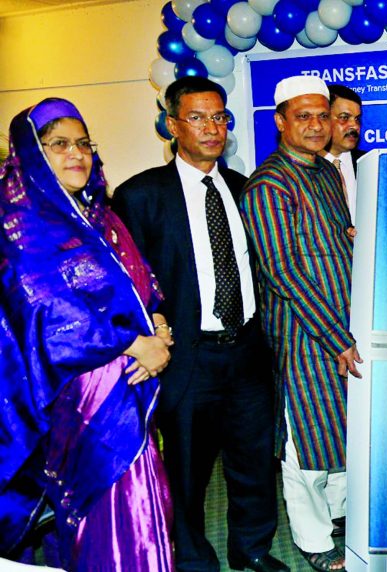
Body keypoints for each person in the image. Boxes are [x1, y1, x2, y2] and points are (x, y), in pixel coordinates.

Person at [112, 77, 283, 572]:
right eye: (198, 117)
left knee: (253, 462)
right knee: (186, 469)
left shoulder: (241, 187)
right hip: (188, 355)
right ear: (172, 125)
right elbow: (130, 284)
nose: (213, 128)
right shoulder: (140, 195)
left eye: (220, 117)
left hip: (248, 350)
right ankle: (189, 559)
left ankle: (251, 549)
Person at [0, 98, 173, 570]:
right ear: (32, 153)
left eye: (83, 144)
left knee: (136, 502)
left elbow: (142, 282)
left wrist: (157, 322)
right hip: (81, 396)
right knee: (111, 508)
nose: (77, 154)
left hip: (130, 383)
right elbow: (44, 307)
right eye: (58, 144)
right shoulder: (22, 225)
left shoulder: (98, 215)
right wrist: (134, 343)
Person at [240, 75, 360, 572]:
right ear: (281, 122)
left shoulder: (328, 173)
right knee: (306, 441)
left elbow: (338, 245)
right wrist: (336, 337)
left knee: (343, 433)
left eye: (322, 115)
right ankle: (314, 540)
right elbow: (283, 269)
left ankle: (338, 515)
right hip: (304, 335)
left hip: (344, 326)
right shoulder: (269, 184)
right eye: (303, 116)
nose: (316, 125)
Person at [324, 84, 364, 223]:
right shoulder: (306, 168)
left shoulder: (370, 164)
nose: (355, 126)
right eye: (344, 117)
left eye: (357, 119)